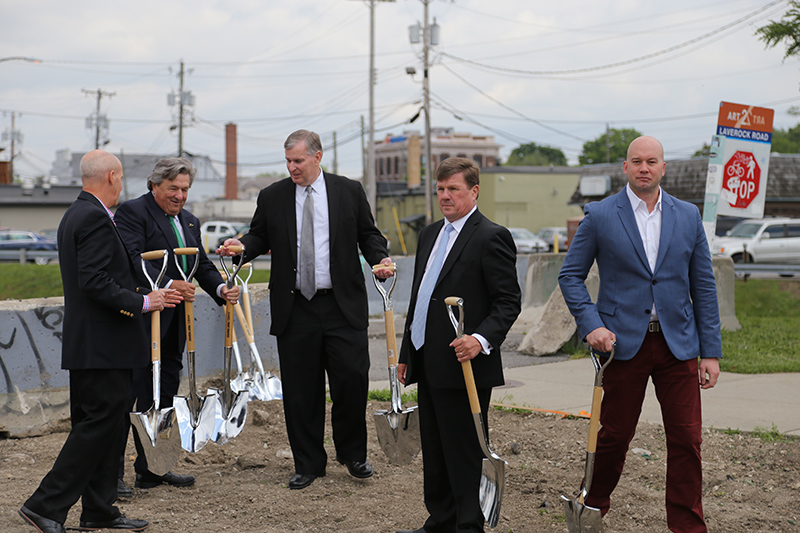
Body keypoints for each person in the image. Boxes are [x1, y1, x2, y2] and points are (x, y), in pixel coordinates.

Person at [558, 135, 722, 533]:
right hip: (621, 346)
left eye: (652, 161)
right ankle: (590, 509)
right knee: (613, 437)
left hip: (677, 345)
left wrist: (711, 352)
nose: (644, 168)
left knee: (687, 440)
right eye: (636, 161)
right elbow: (570, 276)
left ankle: (687, 526)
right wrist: (592, 325)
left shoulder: (687, 215)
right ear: (626, 168)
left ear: (663, 167)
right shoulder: (599, 214)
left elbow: (703, 286)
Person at [219, 129, 393, 490]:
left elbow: (369, 235)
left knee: (351, 381)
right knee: (301, 391)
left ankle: (353, 454)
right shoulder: (273, 196)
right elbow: (259, 236)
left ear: (317, 157)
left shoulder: (349, 191)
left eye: (298, 160)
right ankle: (308, 463)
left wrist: (381, 258)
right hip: (295, 307)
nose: (292, 167)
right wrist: (241, 246)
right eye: (288, 161)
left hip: (342, 306)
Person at [19, 150, 181, 533]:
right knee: (96, 427)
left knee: (106, 428)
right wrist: (144, 302)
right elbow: (93, 282)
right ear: (111, 176)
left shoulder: (81, 213)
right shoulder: (92, 216)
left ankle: (99, 508)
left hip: (100, 345)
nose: (122, 184)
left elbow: (107, 275)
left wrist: (150, 290)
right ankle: (45, 504)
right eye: (121, 178)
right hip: (101, 346)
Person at [395, 157, 521, 533]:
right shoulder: (430, 234)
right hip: (428, 360)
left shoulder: (490, 236)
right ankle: (441, 519)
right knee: (434, 448)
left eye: (454, 189)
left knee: (464, 448)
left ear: (474, 191)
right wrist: (407, 354)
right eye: (441, 189)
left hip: (465, 364)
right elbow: (421, 298)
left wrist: (480, 340)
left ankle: (469, 524)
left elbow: (508, 301)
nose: (445, 196)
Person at [115, 157, 239, 494]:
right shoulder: (133, 213)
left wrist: (220, 288)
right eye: (173, 189)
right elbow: (131, 259)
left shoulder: (189, 221)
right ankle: (111, 475)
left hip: (173, 326)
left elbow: (201, 264)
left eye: (185, 189)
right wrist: (169, 284)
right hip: (142, 321)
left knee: (164, 393)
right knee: (131, 396)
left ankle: (153, 468)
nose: (180, 196)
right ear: (155, 185)